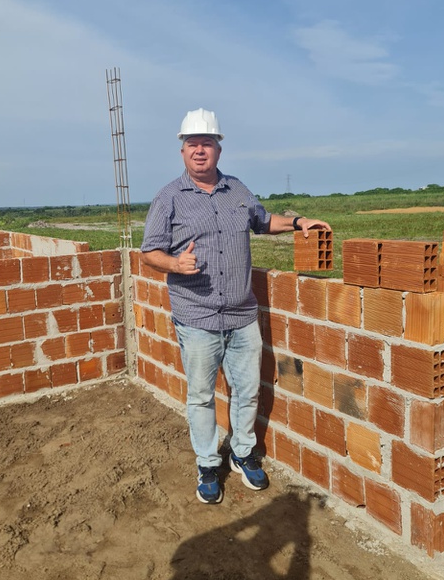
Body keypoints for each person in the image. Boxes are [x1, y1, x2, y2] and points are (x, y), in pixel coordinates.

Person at [140, 108, 331, 505]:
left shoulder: (238, 190)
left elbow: (263, 221)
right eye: (192, 144)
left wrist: (299, 223)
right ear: (182, 151)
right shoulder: (169, 198)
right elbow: (148, 253)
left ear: (218, 149)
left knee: (246, 390)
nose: (199, 151)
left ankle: (243, 453)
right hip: (197, 316)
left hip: (243, 314)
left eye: (206, 143)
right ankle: (208, 464)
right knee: (201, 395)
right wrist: (175, 263)